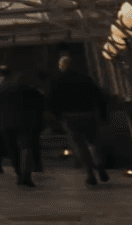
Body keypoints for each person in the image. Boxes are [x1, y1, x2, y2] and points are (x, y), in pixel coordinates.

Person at [47, 54, 109, 186]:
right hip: (88, 113)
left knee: (80, 146)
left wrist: (57, 116)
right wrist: (103, 114)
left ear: (61, 66)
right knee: (93, 143)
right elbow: (98, 96)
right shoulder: (85, 79)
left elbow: (52, 100)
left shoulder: (57, 81)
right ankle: (100, 165)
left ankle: (90, 173)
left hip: (69, 116)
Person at [0, 66, 48, 187]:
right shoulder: (23, 86)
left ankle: (19, 173)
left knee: (12, 149)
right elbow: (39, 102)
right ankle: (26, 174)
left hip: (5, 122)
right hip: (24, 121)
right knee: (26, 147)